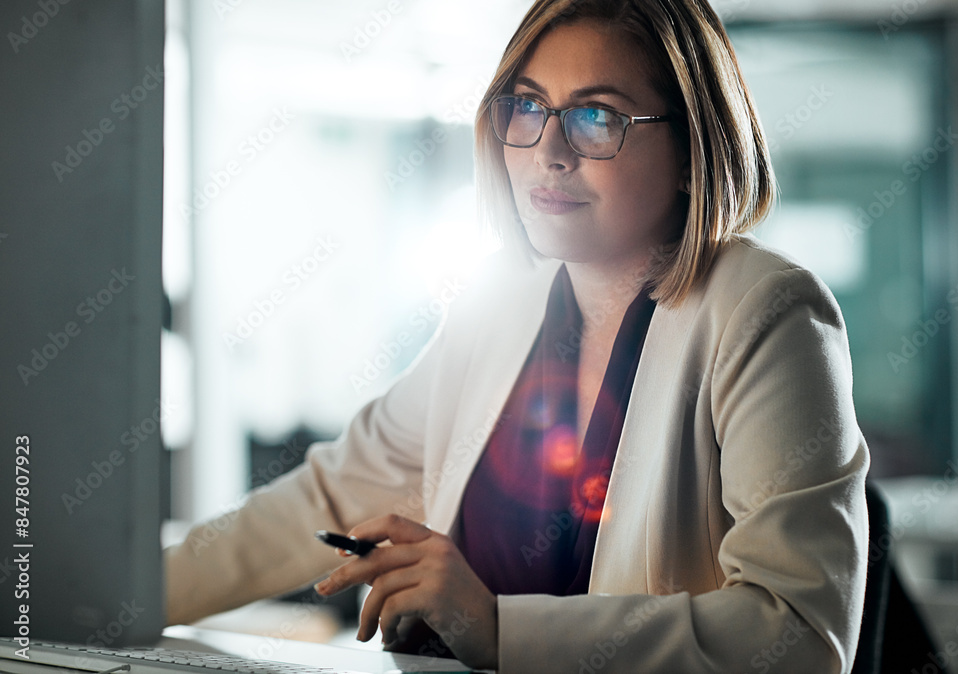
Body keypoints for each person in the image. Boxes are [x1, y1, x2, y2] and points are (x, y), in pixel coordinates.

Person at [166, 0, 870, 672]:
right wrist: (110, 598)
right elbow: (328, 499)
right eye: (528, 107)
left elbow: (798, 636)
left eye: (598, 116)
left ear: (693, 151)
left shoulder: (766, 313)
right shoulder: (496, 301)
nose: (550, 151)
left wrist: (499, 629)